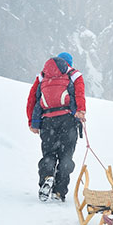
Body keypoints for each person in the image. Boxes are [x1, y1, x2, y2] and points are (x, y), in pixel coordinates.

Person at [26, 52, 86, 202]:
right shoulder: (74, 74)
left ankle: (47, 177)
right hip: (68, 121)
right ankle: (59, 192)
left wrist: (31, 122)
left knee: (49, 154)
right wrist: (81, 110)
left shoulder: (42, 77)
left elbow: (32, 99)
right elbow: (80, 93)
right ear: (68, 63)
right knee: (66, 157)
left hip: (47, 122)